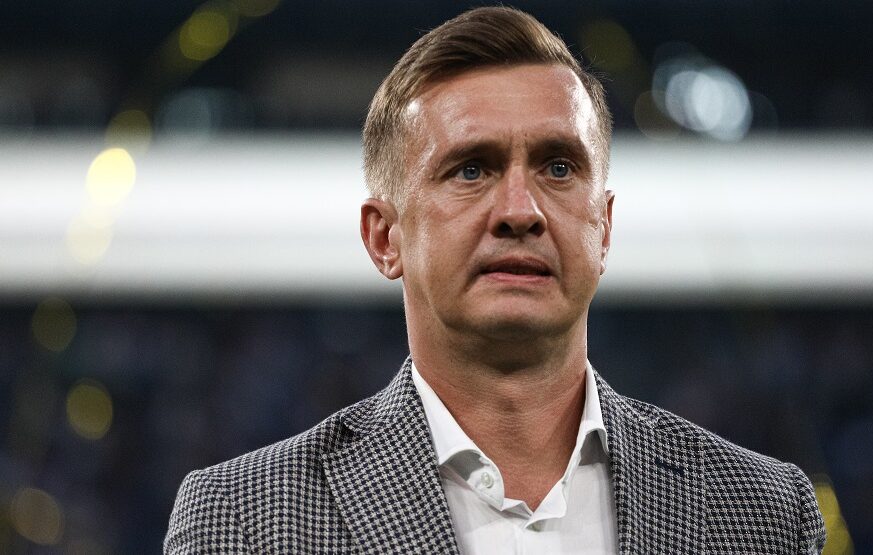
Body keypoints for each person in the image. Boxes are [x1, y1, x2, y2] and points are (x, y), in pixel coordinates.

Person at [165, 7, 826, 554]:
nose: (520, 211)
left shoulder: (766, 515)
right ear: (384, 237)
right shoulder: (241, 521)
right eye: (471, 169)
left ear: (604, 228)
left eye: (558, 167)